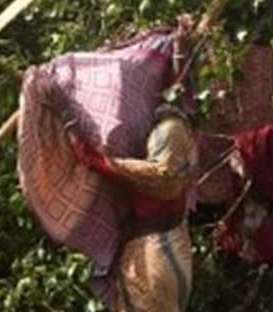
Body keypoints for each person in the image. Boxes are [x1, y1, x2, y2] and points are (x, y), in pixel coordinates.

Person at [65, 102, 198, 312]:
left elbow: (163, 177)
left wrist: (99, 160)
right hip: (153, 249)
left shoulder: (171, 131)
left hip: (158, 252)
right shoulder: (167, 137)